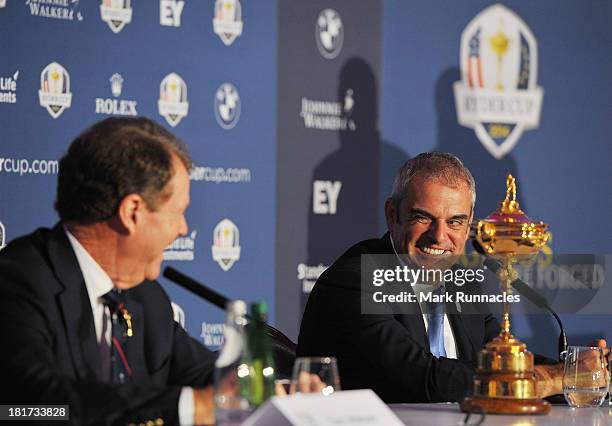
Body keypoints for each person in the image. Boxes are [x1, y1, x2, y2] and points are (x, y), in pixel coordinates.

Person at [297, 152, 565, 403]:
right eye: (423, 218)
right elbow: (423, 379)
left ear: (470, 222)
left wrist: (580, 371)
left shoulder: (462, 283)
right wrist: (551, 379)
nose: (439, 236)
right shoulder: (355, 281)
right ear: (392, 215)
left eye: (455, 222)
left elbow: (501, 362)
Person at [0, 117, 216, 425]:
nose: (184, 229)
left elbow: (206, 373)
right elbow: (34, 406)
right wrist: (187, 408)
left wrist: (280, 389)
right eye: (178, 212)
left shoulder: (145, 296)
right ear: (132, 212)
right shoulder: (18, 281)